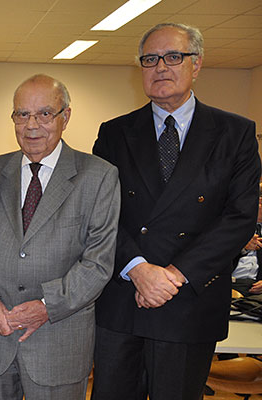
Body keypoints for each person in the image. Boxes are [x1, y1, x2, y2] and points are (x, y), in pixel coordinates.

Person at [91, 22, 261, 400]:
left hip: (190, 300)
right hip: (124, 298)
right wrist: (138, 269)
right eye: (150, 59)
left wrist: (173, 275)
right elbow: (100, 215)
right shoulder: (115, 133)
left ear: (196, 64)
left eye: (173, 57)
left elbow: (238, 219)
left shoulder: (235, 133)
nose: (160, 67)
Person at [0, 74, 120, 399]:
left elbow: (98, 263)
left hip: (59, 341)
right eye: (22, 114)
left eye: (44, 114)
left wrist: (46, 306)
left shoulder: (98, 177)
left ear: (65, 116)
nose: (31, 125)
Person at [232, 192, 262, 297]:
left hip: (256, 285)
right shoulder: (233, 227)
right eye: (259, 202)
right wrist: (243, 247)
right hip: (232, 282)